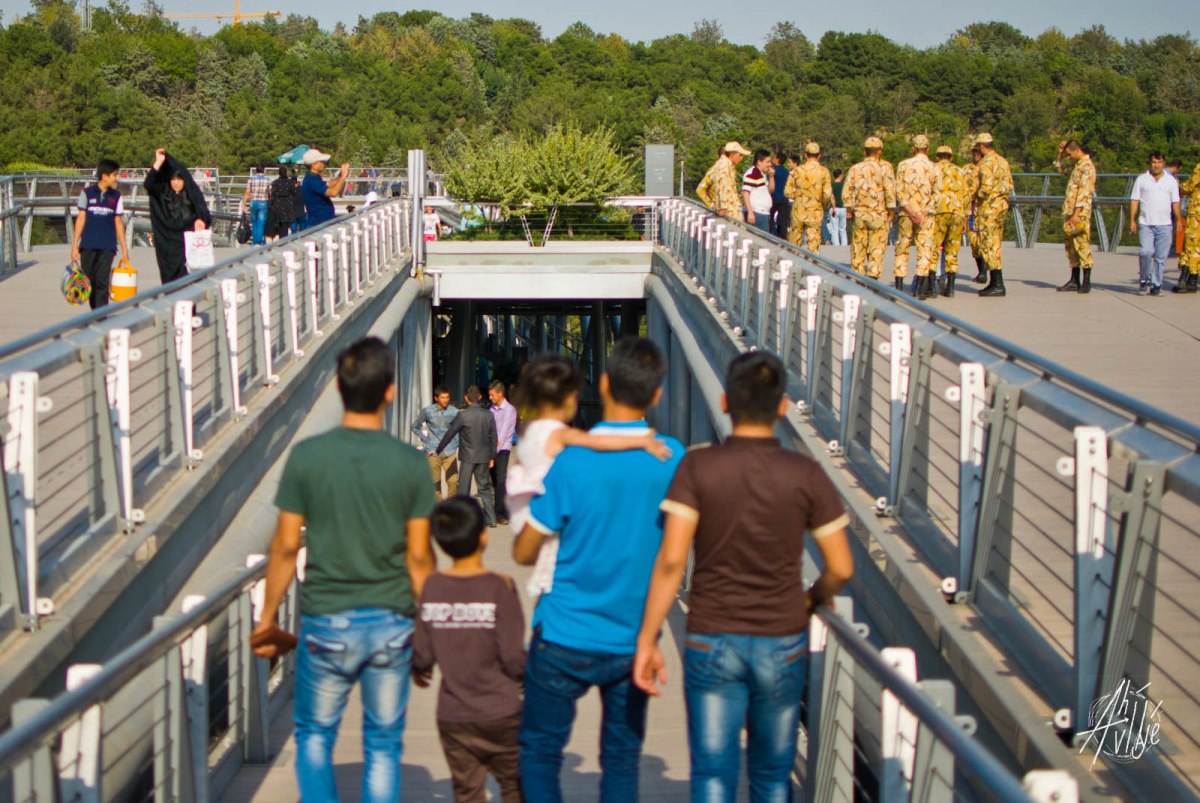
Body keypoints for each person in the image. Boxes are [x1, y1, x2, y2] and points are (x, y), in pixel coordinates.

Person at [633, 351, 854, 802]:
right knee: (772, 777)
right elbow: (841, 567)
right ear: (782, 406)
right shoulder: (805, 474)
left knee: (713, 775)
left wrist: (649, 638)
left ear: (725, 402)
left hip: (712, 635)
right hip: (782, 636)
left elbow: (672, 562)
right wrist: (812, 599)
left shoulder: (698, 468)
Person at [250, 337, 436, 803]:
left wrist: (268, 616)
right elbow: (418, 557)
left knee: (314, 735)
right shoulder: (412, 464)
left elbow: (287, 546)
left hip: (326, 618)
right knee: (384, 744)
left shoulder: (308, 457)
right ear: (390, 391)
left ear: (338, 385)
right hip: (393, 620)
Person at [512, 338, 685, 802]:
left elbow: (526, 551)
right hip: (635, 637)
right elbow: (678, 552)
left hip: (564, 631)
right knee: (622, 761)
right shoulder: (673, 458)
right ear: (656, 395)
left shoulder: (571, 460)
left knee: (540, 753)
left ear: (604, 384)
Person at [506, 355, 673, 600]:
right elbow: (593, 440)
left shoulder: (530, 429)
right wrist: (640, 440)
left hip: (523, 506)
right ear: (569, 399)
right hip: (543, 508)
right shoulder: (559, 432)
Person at [412, 497, 526, 803]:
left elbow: (421, 653)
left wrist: (420, 670)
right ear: (483, 536)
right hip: (501, 710)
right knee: (514, 786)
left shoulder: (432, 588)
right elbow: (514, 658)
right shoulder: (500, 588)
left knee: (467, 791)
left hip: (454, 714)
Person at [143, 148, 211, 285]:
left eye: (179, 179)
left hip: (188, 246)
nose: (176, 182)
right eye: (173, 179)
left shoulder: (192, 195)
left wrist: (200, 221)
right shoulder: (164, 194)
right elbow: (149, 184)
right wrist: (158, 162)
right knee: (171, 284)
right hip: (168, 245)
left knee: (188, 285)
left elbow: (204, 214)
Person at [71, 159, 130, 310]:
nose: (116, 178)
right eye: (114, 175)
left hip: (107, 246)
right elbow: (81, 219)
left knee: (102, 282)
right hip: (88, 245)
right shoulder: (87, 193)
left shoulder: (116, 196)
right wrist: (74, 246)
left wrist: (124, 248)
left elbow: (118, 222)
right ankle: (95, 312)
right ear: (104, 176)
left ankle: (101, 317)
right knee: (89, 281)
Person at [436, 386, 498, 527]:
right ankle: (492, 518)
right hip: (483, 457)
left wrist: (438, 449)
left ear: (466, 398)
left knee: (463, 488)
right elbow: (493, 437)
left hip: (468, 457)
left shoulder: (463, 415)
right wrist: (492, 456)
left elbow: (450, 433)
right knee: (484, 488)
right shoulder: (488, 415)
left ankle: (462, 518)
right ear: (480, 397)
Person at [1129, 151, 1182, 297]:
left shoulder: (1171, 181)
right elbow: (1134, 200)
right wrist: (1132, 220)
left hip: (1165, 224)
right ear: (1150, 163)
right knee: (1145, 252)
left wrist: (1178, 219)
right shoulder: (1141, 179)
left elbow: (1175, 202)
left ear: (1164, 164)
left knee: (1160, 257)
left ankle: (1156, 284)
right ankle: (1144, 279)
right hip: (1146, 224)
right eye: (1154, 162)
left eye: (1159, 163)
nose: (1156, 165)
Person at [893, 134, 939, 298]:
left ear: (913, 148)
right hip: (926, 215)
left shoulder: (903, 165)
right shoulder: (934, 167)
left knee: (902, 246)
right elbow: (937, 193)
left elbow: (898, 190)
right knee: (925, 249)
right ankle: (919, 289)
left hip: (907, 212)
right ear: (928, 149)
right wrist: (924, 211)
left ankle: (898, 286)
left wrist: (910, 210)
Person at [844, 136, 897, 279]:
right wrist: (891, 211)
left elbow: (847, 192)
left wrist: (850, 209)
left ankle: (858, 275)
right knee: (877, 247)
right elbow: (890, 190)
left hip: (860, 213)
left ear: (864, 151)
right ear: (880, 151)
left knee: (858, 247)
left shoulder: (855, 168)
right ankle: (873, 276)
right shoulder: (885, 167)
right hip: (879, 213)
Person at [972, 133, 1014, 298]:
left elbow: (986, 187)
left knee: (989, 244)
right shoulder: (1003, 161)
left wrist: (976, 196)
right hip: (1001, 206)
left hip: (989, 207)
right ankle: (995, 282)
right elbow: (1009, 184)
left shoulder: (986, 163)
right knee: (995, 242)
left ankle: (997, 283)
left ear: (982, 146)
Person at [1055, 140, 1098, 294]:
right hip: (1070, 211)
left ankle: (1086, 281)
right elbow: (1061, 171)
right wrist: (1059, 155)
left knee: (1082, 244)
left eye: (1069, 154)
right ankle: (1074, 280)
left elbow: (1084, 192)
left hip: (1079, 214)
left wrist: (1076, 214)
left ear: (1076, 150)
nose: (1069, 157)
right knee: (1071, 246)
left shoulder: (1087, 167)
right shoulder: (1078, 166)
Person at [931, 145, 971, 298]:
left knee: (934, 248)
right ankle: (951, 287)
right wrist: (966, 217)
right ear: (951, 157)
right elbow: (966, 195)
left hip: (938, 211)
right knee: (952, 250)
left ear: (937, 156)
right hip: (956, 212)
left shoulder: (933, 168)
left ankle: (934, 284)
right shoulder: (960, 171)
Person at [413, 386, 461, 501]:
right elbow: (415, 427)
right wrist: (427, 441)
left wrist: (456, 442)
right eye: (442, 397)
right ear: (436, 398)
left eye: (447, 397)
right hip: (433, 452)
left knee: (453, 481)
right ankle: (438, 509)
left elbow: (460, 428)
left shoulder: (454, 411)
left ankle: (450, 506)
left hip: (450, 451)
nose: (445, 400)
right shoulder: (428, 411)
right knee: (435, 483)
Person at [785, 141, 833, 254]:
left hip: (798, 210)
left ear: (805, 155)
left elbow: (787, 191)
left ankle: (794, 266)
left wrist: (798, 197)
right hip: (815, 210)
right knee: (813, 245)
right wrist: (823, 204)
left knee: (794, 244)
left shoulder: (797, 171)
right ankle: (811, 268)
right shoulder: (824, 172)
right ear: (819, 155)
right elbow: (827, 194)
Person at [697, 142, 752, 220]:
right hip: (729, 213)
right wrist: (716, 206)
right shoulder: (724, 166)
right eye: (740, 155)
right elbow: (702, 189)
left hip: (730, 210)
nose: (741, 158)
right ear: (733, 154)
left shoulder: (724, 165)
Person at [488, 380, 517, 525]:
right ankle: (501, 509)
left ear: (500, 394)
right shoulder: (491, 409)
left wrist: (493, 455)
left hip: (502, 450)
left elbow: (503, 434)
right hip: (492, 450)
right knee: (495, 482)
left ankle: (500, 513)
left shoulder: (510, 410)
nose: (490, 397)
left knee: (500, 480)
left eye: (492, 395)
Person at [302, 149, 350, 229]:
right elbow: (333, 193)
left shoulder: (312, 178)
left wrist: (341, 176)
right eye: (321, 161)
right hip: (318, 224)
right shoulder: (312, 180)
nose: (324, 163)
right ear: (314, 164)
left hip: (320, 222)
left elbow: (328, 184)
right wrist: (343, 177)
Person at [1175, 161, 1199, 294]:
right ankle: (1193, 280)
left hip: (1196, 213)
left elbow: (1189, 186)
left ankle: (1184, 280)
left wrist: (1178, 187)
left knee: (1190, 245)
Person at [964, 146, 986, 283]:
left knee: (984, 240)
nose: (976, 154)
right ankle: (981, 270)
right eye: (974, 152)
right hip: (971, 208)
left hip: (984, 208)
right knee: (973, 241)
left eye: (978, 151)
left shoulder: (987, 167)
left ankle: (984, 271)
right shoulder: (966, 169)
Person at [741, 149, 774, 232]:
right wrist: (750, 212)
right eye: (767, 162)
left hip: (763, 213)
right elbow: (745, 193)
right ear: (759, 162)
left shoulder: (761, 174)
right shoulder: (752, 174)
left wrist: (771, 176)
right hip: (757, 213)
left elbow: (771, 190)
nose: (770, 165)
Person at [265, 165, 300, 242]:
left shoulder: (275, 183)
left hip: (278, 205)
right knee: (286, 224)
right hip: (287, 205)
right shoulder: (290, 183)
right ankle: (284, 240)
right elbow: (295, 193)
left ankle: (280, 239)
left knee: (279, 224)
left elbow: (272, 194)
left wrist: (272, 204)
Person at [241, 164, 271, 246]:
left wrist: (244, 203)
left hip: (253, 202)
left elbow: (247, 192)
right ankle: (259, 241)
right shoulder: (267, 180)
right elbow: (270, 192)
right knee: (261, 223)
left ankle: (255, 242)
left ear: (256, 171)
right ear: (263, 171)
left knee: (254, 223)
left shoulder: (251, 179)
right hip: (264, 202)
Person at [768, 153, 793, 239]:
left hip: (773, 198)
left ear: (778, 159)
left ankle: (770, 234)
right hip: (784, 198)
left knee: (770, 218)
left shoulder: (772, 171)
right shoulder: (787, 172)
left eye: (775, 158)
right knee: (783, 221)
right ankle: (782, 237)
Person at [830, 168, 847, 246]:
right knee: (843, 229)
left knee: (834, 228)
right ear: (840, 175)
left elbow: (832, 197)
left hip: (835, 208)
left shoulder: (831, 185)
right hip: (843, 208)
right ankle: (844, 244)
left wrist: (833, 207)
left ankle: (836, 244)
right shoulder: (844, 185)